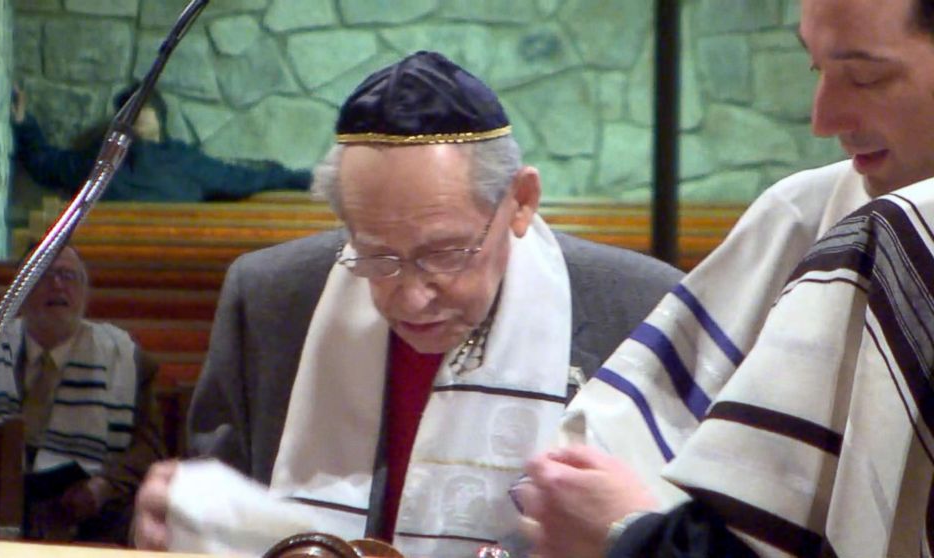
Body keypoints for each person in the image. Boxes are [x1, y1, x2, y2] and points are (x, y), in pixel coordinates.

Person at [132, 51, 683, 557]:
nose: (412, 296)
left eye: (445, 254)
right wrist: (177, 521)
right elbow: (214, 515)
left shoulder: (639, 310)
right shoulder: (271, 299)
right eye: (376, 258)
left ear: (520, 202)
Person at [518, 0, 934, 556]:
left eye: (865, 76)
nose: (822, 119)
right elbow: (609, 440)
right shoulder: (804, 214)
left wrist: (627, 537)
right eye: (816, 70)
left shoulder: (891, 231)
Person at [0, 245, 166, 545]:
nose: (57, 285)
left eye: (67, 275)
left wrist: (103, 487)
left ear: (85, 292)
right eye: (44, 275)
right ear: (20, 293)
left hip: (91, 519)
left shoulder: (126, 359)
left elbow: (149, 448)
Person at [11, 84, 312, 202]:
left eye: (144, 108)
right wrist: (25, 124)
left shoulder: (185, 160)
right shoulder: (103, 159)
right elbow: (47, 163)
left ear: (159, 115)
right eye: (130, 111)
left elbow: (248, 179)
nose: (138, 115)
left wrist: (307, 179)